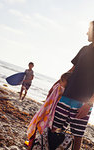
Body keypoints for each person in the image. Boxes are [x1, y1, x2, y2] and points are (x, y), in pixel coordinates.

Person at [52, 21, 94, 150]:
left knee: (77, 136)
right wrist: (57, 83)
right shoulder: (84, 49)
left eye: (89, 29)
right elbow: (72, 69)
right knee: (55, 129)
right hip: (66, 96)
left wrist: (89, 104)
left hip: (83, 102)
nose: (87, 32)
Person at [26, 72, 72, 150]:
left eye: (61, 81)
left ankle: (33, 146)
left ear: (67, 83)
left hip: (53, 115)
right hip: (52, 115)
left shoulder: (62, 91)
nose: (59, 82)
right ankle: (32, 146)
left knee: (46, 133)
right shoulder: (61, 90)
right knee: (43, 132)